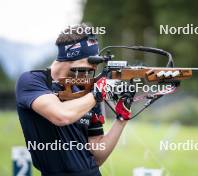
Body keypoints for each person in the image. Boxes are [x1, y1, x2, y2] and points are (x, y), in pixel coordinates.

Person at [15, 24, 133, 176]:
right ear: (72, 56)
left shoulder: (87, 92)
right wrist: (97, 94)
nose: (94, 68)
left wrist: (122, 119)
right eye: (92, 61)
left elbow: (97, 157)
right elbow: (61, 116)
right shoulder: (32, 81)